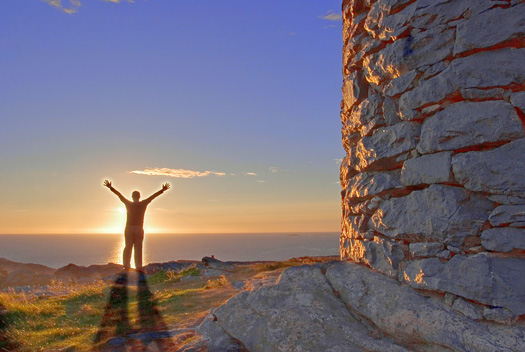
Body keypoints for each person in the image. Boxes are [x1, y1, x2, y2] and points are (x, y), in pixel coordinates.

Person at [103, 180, 170, 271]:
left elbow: (119, 195)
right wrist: (162, 190)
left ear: (132, 196)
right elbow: (153, 197)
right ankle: (138, 267)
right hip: (139, 228)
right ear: (139, 197)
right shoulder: (143, 203)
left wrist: (110, 187)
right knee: (138, 248)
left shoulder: (128, 203)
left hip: (129, 228)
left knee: (128, 247)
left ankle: (126, 266)